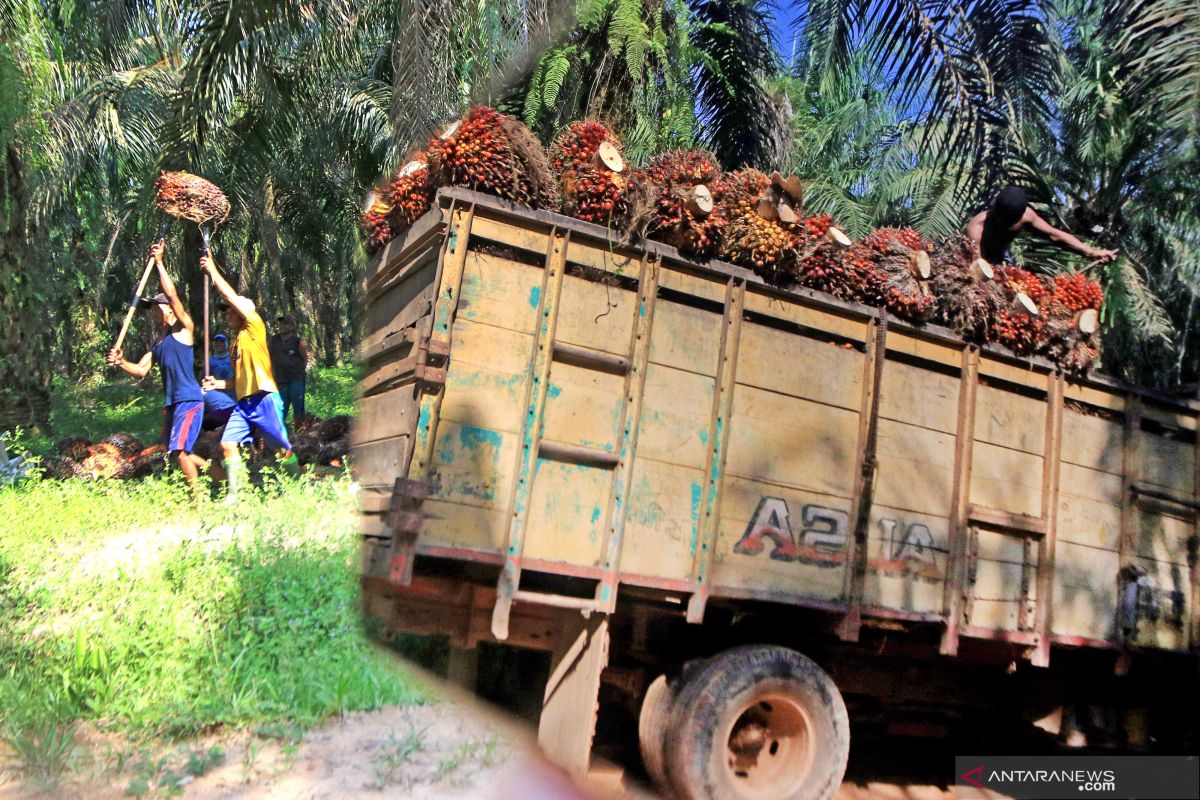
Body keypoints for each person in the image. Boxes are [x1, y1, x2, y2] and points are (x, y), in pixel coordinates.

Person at [107, 242, 207, 492]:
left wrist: (160, 262)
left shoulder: (184, 330)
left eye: (155, 307)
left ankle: (197, 504)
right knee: (177, 453)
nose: (152, 312)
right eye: (150, 309)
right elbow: (140, 370)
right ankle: (223, 476)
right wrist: (121, 362)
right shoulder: (159, 342)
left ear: (170, 310)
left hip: (189, 400)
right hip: (172, 404)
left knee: (181, 452)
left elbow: (172, 295)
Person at [199, 253, 297, 504]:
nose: (227, 314)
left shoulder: (254, 325)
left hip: (264, 398)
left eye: (230, 311)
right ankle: (235, 494)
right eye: (226, 312)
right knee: (228, 444)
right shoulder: (234, 344)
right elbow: (236, 382)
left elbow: (230, 296)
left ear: (244, 312)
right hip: (243, 404)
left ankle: (298, 484)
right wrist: (217, 385)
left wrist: (212, 270)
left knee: (281, 450)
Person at [965, 186, 1119, 266]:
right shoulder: (977, 227)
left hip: (1000, 258)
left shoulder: (1026, 216)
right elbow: (977, 265)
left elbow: (1055, 234)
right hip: (976, 259)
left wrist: (1092, 252)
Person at [268, 315, 308, 424]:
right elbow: (268, 356)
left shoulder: (297, 341)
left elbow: (305, 358)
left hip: (296, 379)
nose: (282, 326)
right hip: (281, 380)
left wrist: (298, 372)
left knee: (298, 406)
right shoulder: (274, 340)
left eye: (286, 324)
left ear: (292, 326)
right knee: (281, 407)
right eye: (281, 323)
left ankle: (300, 431)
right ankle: (280, 433)